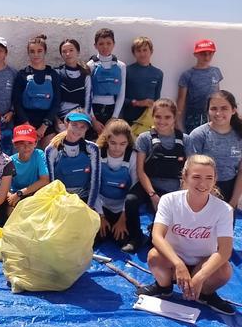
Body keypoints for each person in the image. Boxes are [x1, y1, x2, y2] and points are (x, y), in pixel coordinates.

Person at [136, 155, 235, 316]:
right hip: (173, 259)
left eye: (208, 177)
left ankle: (205, 294)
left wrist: (200, 277)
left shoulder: (224, 209)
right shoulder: (169, 200)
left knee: (224, 270)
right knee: (154, 256)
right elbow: (157, 236)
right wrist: (178, 264)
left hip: (203, 261)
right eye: (196, 177)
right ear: (185, 176)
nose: (202, 184)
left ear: (215, 179)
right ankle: (164, 287)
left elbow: (224, 250)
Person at [94, 119, 143, 252]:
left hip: (122, 207)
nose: (117, 148)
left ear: (128, 143)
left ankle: (136, 237)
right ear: (106, 140)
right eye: (113, 143)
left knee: (121, 239)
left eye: (123, 144)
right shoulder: (98, 153)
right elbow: (94, 187)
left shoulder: (132, 156)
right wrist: (100, 216)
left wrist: (122, 218)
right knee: (96, 238)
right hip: (102, 206)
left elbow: (134, 186)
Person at [134, 98, 191, 212]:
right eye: (158, 116)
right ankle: (135, 230)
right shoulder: (144, 138)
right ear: (153, 116)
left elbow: (190, 170)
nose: (162, 121)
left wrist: (180, 196)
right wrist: (153, 195)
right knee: (131, 201)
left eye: (167, 117)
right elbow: (140, 171)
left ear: (174, 117)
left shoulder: (185, 139)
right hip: (151, 188)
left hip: (176, 190)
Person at [189, 90, 242, 206]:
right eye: (213, 109)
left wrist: (233, 201)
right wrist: (207, 195)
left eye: (224, 108)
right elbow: (191, 170)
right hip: (202, 190)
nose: (218, 113)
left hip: (230, 191)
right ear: (208, 111)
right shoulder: (198, 135)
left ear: (233, 110)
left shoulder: (239, 135)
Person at [12, 34, 61, 148]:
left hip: (47, 122)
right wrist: (27, 126)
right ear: (28, 53)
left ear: (45, 52)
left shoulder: (53, 74)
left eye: (39, 51)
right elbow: (17, 103)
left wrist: (44, 126)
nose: (36, 54)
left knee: (49, 153)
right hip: (25, 121)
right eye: (32, 51)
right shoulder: (22, 74)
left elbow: (56, 102)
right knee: (24, 155)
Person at [45, 112, 99, 203]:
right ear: (66, 124)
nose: (78, 129)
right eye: (74, 125)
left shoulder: (92, 148)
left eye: (83, 127)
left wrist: (89, 208)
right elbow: (51, 182)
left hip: (83, 201)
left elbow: (95, 182)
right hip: (60, 200)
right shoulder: (52, 149)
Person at [177, 39, 222, 133]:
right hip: (194, 116)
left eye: (210, 53)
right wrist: (176, 119)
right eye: (203, 54)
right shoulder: (187, 75)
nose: (206, 56)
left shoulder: (216, 71)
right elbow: (181, 99)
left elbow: (218, 93)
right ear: (196, 54)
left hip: (213, 114)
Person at [86, 28, 126, 133]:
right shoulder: (90, 65)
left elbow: (121, 93)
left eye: (108, 43)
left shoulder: (121, 66)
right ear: (95, 45)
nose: (105, 47)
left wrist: (114, 117)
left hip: (112, 111)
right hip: (94, 110)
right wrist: (93, 120)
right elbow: (87, 94)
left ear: (114, 44)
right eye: (101, 44)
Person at [123, 36, 163, 134]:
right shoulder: (126, 71)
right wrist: (138, 103)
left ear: (151, 51)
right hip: (130, 120)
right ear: (134, 53)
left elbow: (157, 101)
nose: (142, 53)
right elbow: (120, 98)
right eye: (138, 51)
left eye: (145, 50)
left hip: (148, 122)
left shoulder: (158, 73)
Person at [6, 124, 49, 213]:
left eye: (30, 143)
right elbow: (4, 186)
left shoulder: (39, 154)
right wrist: (10, 196)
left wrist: (20, 193)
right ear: (14, 144)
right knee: (9, 210)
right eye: (21, 143)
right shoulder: (9, 161)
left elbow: (44, 180)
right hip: (15, 196)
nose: (26, 147)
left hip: (35, 194)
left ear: (36, 143)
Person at [55, 38, 91, 127]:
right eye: (64, 51)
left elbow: (88, 98)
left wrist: (85, 119)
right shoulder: (57, 73)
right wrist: (56, 119)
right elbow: (52, 99)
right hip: (60, 117)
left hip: (79, 116)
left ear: (78, 52)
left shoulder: (85, 74)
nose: (68, 54)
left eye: (71, 50)